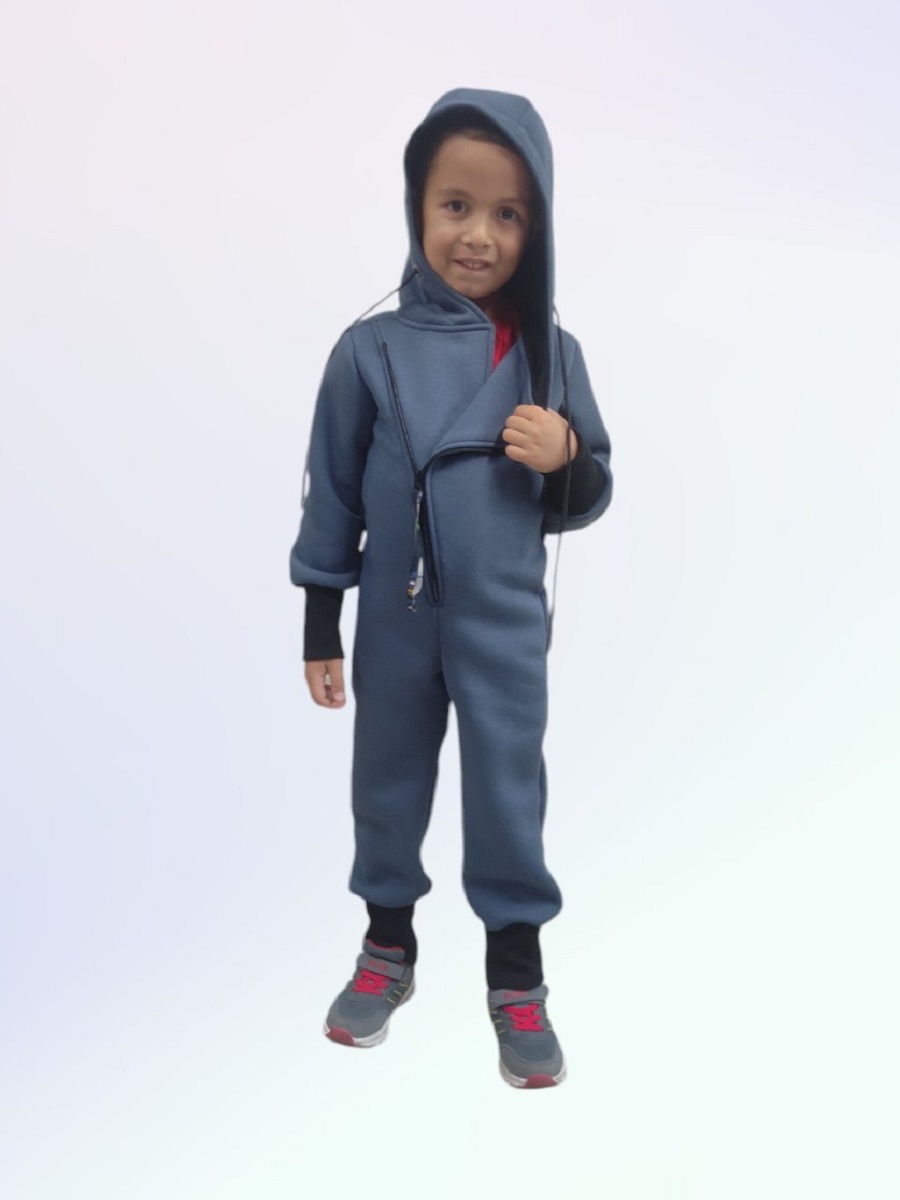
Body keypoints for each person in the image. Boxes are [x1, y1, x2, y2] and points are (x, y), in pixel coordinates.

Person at [289, 87, 612, 1088]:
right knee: (386, 782)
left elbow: (589, 493)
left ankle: (516, 971)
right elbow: (333, 492)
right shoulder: (369, 350)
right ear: (416, 208)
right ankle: (387, 944)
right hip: (395, 622)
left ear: (538, 226)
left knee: (509, 791)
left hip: (504, 626)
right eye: (456, 206)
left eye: (508, 214)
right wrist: (321, 621)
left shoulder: (552, 358)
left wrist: (564, 457)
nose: (478, 235)